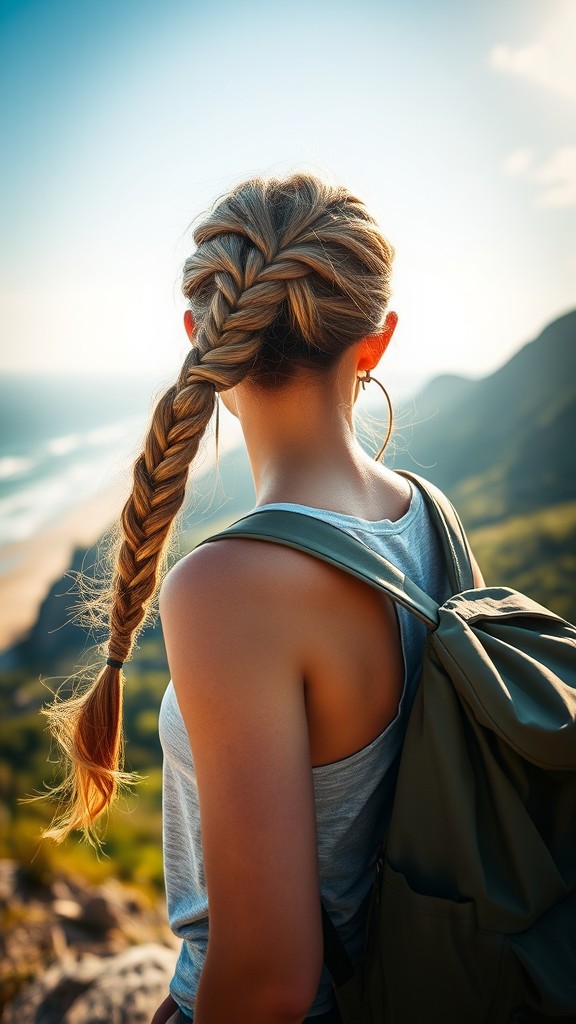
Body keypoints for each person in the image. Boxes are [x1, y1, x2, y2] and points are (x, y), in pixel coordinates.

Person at [44, 172, 483, 1024]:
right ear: (377, 342)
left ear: (200, 336)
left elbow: (272, 982)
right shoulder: (431, 513)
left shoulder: (227, 587)